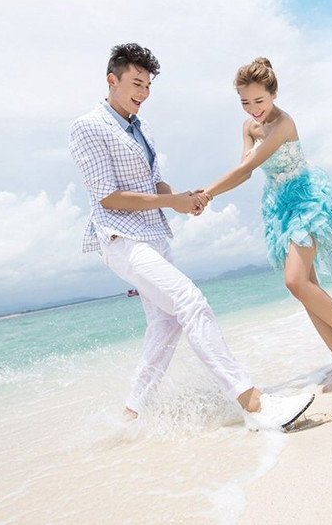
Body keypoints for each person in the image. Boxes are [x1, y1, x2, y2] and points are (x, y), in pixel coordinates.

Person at [68, 43, 314, 430]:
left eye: (148, 85)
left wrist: (186, 199)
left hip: (153, 236)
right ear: (112, 80)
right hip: (121, 239)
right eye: (136, 83)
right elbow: (108, 196)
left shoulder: (141, 127)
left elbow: (154, 182)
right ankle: (253, 404)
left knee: (166, 325)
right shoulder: (88, 126)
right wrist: (174, 201)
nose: (143, 93)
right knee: (190, 301)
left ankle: (131, 416)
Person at [203, 57, 332, 392]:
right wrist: (222, 182)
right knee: (307, 290)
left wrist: (207, 194)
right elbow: (245, 170)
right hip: (279, 208)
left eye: (259, 101)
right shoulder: (249, 127)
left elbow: (245, 168)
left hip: (307, 200)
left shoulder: (284, 123)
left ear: (274, 94)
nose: (254, 109)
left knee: (295, 282)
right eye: (245, 102)